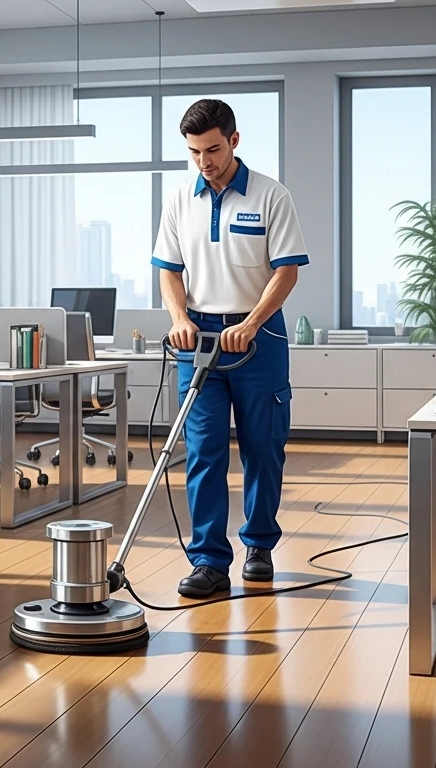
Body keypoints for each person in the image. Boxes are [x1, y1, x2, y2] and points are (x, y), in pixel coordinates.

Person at [150, 98, 309, 598]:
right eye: (195, 152)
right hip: (198, 340)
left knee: (263, 448)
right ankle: (209, 561)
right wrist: (178, 319)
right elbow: (169, 271)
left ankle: (259, 546)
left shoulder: (271, 196)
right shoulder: (179, 200)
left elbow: (286, 271)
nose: (205, 162)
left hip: (258, 339)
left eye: (213, 150)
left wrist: (251, 322)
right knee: (203, 450)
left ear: (234, 141)